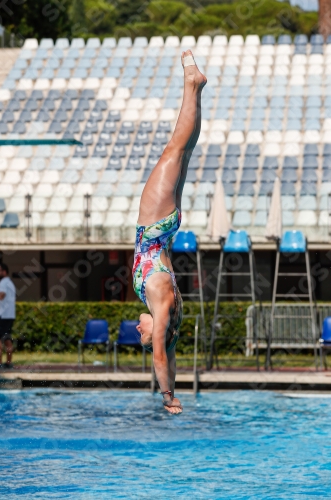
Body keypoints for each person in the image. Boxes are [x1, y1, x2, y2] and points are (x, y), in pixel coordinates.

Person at [132, 50, 206, 414]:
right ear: (153, 334)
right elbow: (161, 354)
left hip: (164, 228)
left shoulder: (168, 316)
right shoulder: (160, 303)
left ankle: (195, 90)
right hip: (154, 226)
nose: (137, 328)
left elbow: (170, 354)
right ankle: (191, 84)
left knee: (184, 151)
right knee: (175, 149)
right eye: (142, 335)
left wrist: (172, 385)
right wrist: (168, 398)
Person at [0, 263, 16, 369]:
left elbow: (1, 296)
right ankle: (8, 363)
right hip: (8, 315)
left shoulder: (3, 283)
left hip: (2, 315)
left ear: (4, 272)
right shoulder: (9, 282)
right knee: (7, 339)